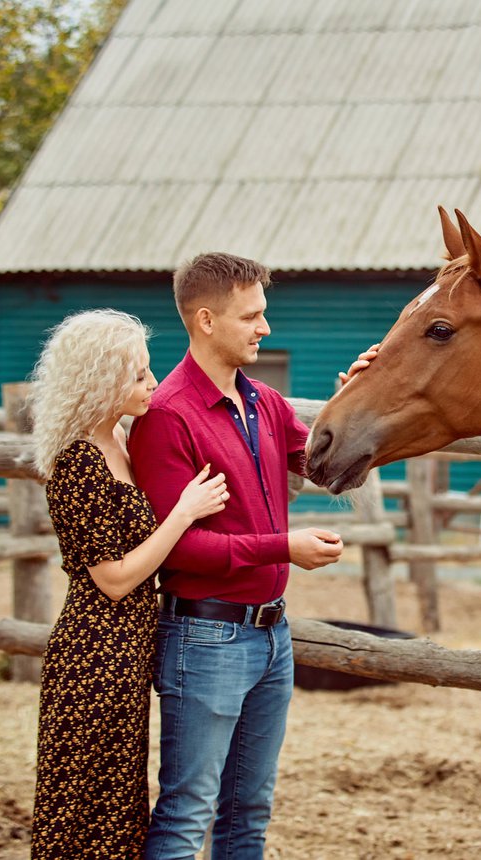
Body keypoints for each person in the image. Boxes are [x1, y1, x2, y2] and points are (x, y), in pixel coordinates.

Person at [129, 251, 363, 859]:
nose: (265, 328)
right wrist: (282, 547)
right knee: (187, 812)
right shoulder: (165, 418)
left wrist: (360, 407)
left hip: (271, 635)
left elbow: (331, 469)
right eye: (251, 315)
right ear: (206, 320)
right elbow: (179, 548)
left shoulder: (265, 400)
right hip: (205, 638)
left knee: (248, 811)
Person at [28, 309, 230, 858]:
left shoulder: (121, 437)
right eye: (138, 374)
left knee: (119, 804)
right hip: (94, 654)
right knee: (83, 808)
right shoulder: (77, 463)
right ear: (99, 380)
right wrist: (184, 513)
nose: (153, 383)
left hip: (129, 650)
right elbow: (114, 580)